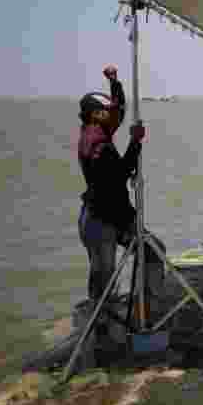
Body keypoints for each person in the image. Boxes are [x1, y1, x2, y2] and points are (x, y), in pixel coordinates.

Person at [77, 65, 146, 310]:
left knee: (151, 252)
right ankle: (101, 327)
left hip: (113, 214)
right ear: (95, 114)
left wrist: (115, 83)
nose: (113, 115)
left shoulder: (99, 131)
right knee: (104, 279)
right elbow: (119, 174)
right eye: (106, 111)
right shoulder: (94, 143)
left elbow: (120, 109)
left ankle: (142, 305)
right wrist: (135, 143)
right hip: (99, 220)